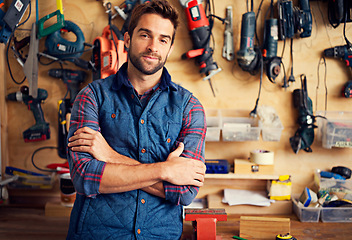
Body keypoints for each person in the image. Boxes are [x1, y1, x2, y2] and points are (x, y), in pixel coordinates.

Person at [65, 0, 207, 239]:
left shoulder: (189, 108)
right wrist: (166, 171)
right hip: (96, 233)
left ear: (170, 48)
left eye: (163, 39)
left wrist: (109, 157)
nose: (153, 46)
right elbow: (85, 177)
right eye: (145, 35)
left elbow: (184, 191)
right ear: (128, 40)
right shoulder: (91, 97)